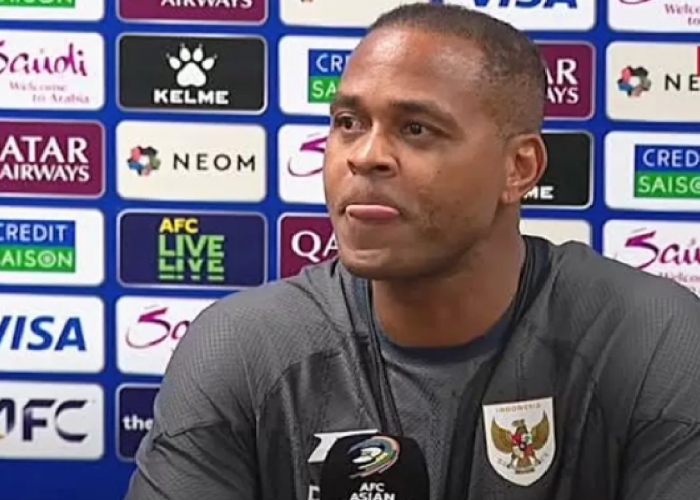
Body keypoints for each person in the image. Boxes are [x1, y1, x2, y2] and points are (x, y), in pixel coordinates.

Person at [123, 4, 700, 500]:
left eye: (417, 129)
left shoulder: (652, 340)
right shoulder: (243, 349)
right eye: (349, 123)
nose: (365, 155)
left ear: (518, 168)